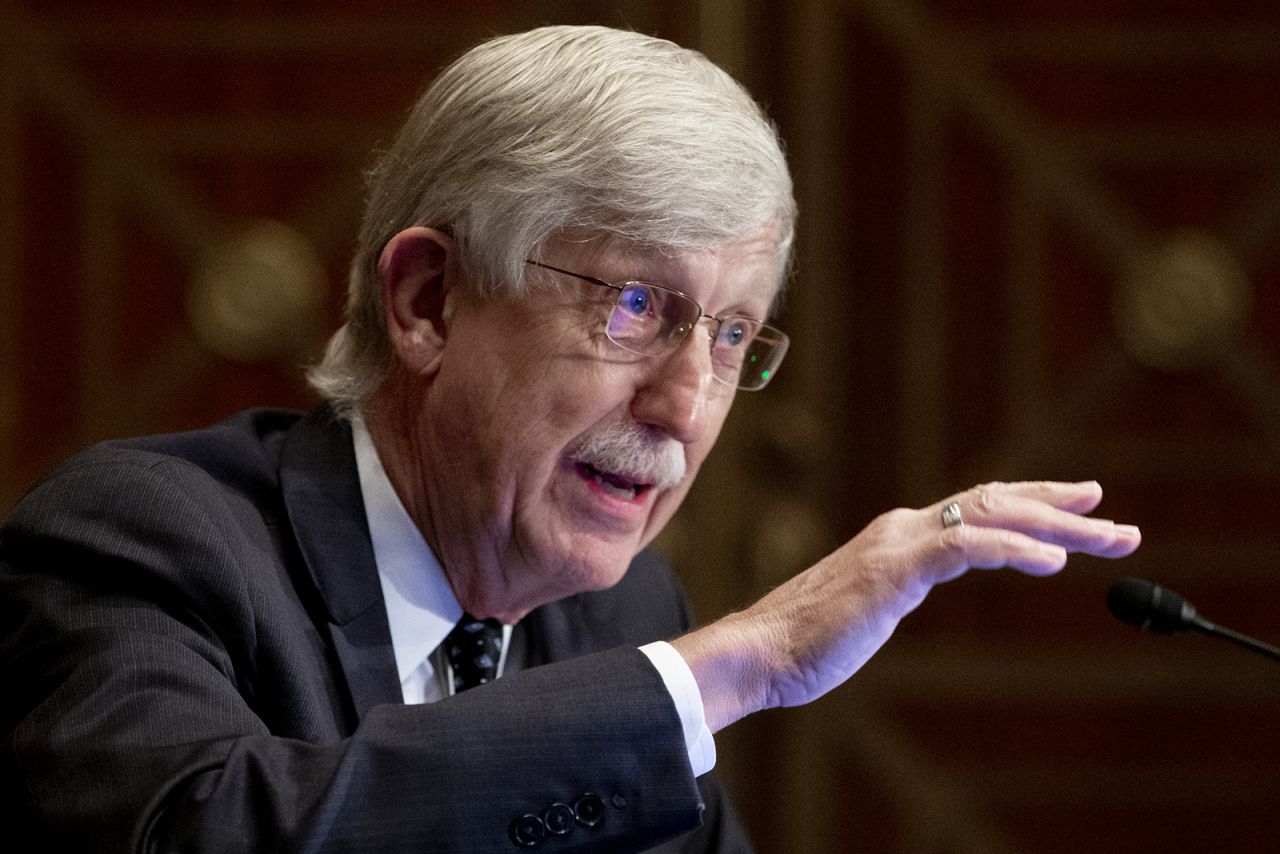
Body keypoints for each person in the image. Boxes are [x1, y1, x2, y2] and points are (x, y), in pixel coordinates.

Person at [0, 24, 1140, 854]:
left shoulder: (619, 618)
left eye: (733, 332)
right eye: (635, 307)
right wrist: (743, 659)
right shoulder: (143, 542)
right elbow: (202, 832)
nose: (685, 404)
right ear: (430, 301)